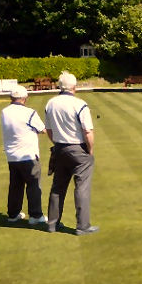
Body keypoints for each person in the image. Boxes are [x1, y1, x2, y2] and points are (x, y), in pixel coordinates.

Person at [45, 72, 98, 235]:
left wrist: (57, 143)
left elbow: (48, 129)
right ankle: (82, 226)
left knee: (58, 187)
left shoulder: (50, 103)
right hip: (78, 149)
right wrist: (90, 150)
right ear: (74, 87)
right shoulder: (80, 104)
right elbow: (87, 131)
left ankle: (52, 224)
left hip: (60, 148)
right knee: (82, 187)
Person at [0, 86, 47, 225]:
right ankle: (36, 216)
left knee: (15, 185)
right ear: (25, 98)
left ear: (11, 98)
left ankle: (13, 214)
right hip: (28, 155)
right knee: (33, 185)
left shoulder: (4, 112)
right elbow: (42, 130)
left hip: (12, 156)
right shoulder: (29, 112)